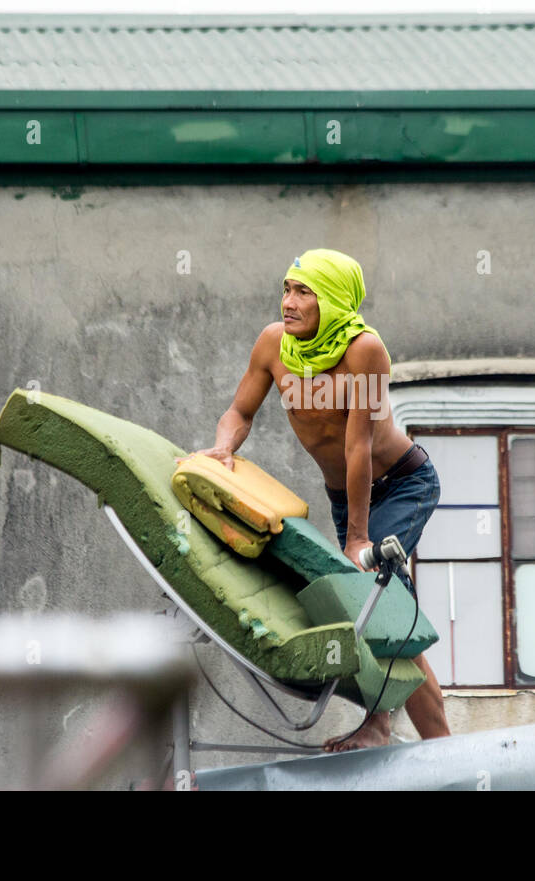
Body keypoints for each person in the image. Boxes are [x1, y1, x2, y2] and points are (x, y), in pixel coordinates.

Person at [187, 248, 450, 750]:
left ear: (332, 301)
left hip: (400, 483)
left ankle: (379, 725)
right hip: (345, 495)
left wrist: (358, 538)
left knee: (375, 599)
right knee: (390, 613)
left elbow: (360, 446)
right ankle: (447, 751)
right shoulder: (273, 344)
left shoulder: (364, 350)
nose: (289, 301)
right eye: (287, 288)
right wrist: (222, 447)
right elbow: (240, 412)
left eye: (303, 292)